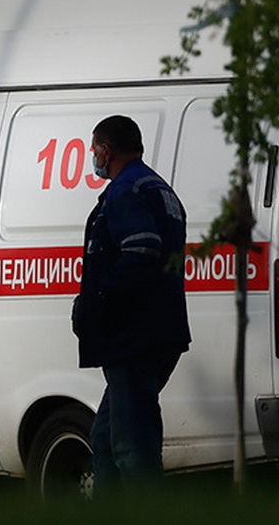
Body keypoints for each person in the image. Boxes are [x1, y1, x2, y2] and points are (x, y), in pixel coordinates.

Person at [72, 115, 191, 497]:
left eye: (94, 150)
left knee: (130, 447)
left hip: (133, 337)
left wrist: (100, 298)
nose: (94, 157)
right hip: (160, 331)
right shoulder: (159, 188)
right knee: (105, 440)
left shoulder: (125, 190)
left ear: (106, 151)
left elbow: (141, 248)